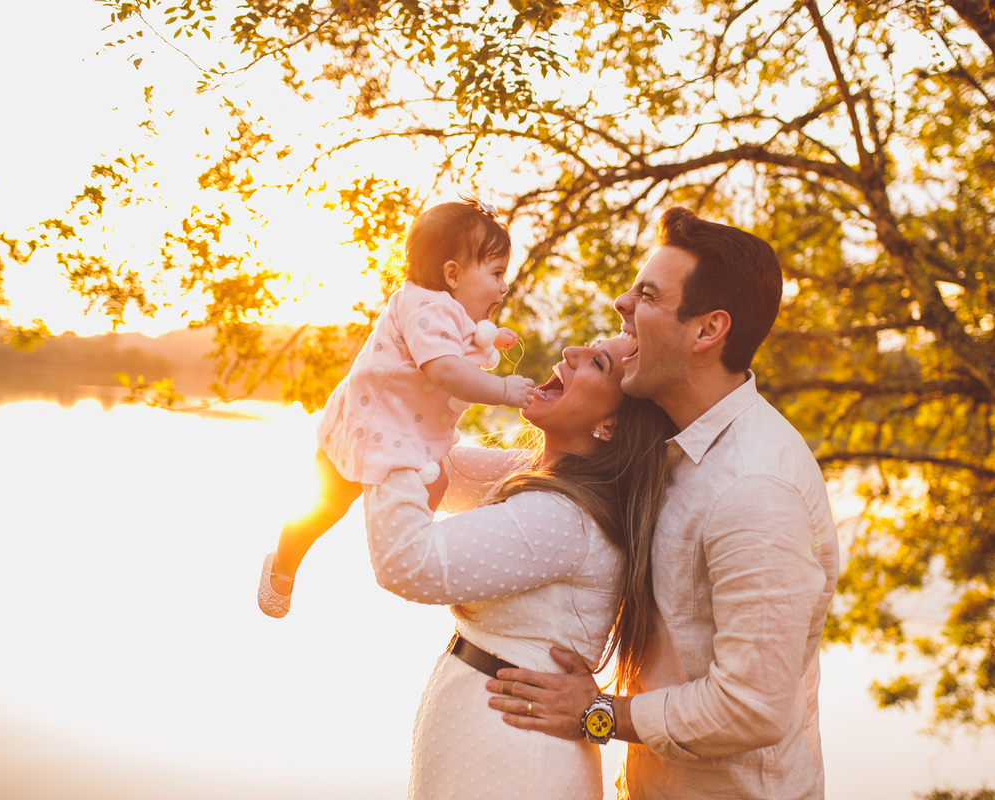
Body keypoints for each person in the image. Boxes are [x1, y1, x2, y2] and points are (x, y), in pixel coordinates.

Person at [485, 207, 841, 799]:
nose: (622, 304)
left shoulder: (756, 490)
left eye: (646, 294)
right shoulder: (663, 444)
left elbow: (751, 707)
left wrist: (599, 714)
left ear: (707, 331)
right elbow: (516, 478)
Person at [362, 333, 675, 799]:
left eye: (597, 364)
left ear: (609, 425)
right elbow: (430, 461)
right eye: (583, 347)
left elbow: (405, 562)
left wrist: (378, 430)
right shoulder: (542, 474)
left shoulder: (565, 517)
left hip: (516, 762)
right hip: (493, 742)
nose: (569, 353)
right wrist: (436, 364)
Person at [257, 198, 536, 618]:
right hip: (368, 425)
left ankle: (416, 545)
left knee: (437, 482)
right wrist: (502, 390)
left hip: (407, 432)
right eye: (496, 273)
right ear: (453, 274)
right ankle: (283, 563)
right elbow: (445, 370)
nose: (504, 286)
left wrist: (489, 340)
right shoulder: (426, 308)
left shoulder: (449, 311)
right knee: (323, 507)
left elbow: (459, 343)